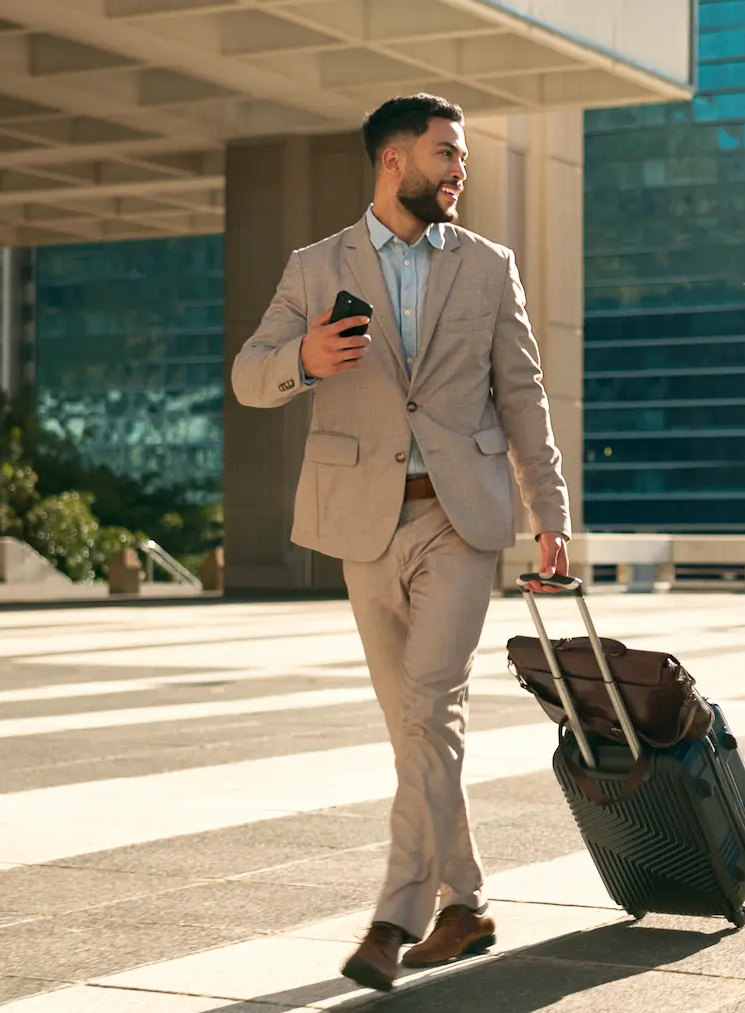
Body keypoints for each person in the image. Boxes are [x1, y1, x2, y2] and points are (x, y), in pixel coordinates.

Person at [230, 93, 571, 992]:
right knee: (415, 729)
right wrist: (305, 358)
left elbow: (524, 395)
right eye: (446, 154)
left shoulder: (489, 266)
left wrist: (552, 516)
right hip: (360, 519)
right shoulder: (316, 266)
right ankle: (466, 902)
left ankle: (393, 917)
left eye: (461, 155)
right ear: (393, 162)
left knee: (431, 709)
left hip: (461, 520)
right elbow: (248, 377)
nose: (461, 168)